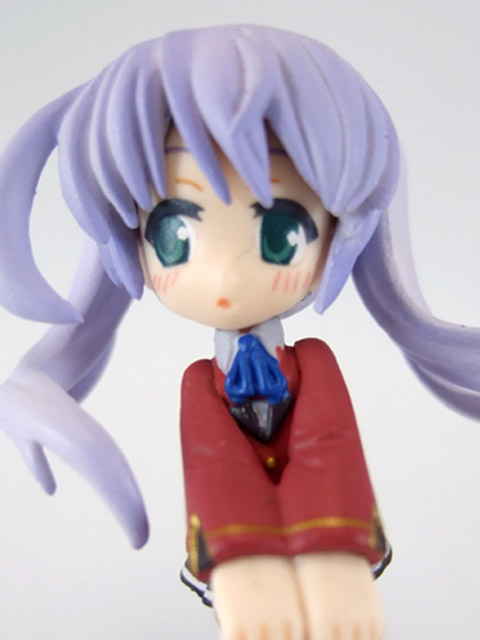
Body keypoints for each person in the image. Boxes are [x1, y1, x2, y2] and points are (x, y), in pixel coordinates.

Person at [0, 24, 478, 640]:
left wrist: (334, 549)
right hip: (238, 553)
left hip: (332, 534)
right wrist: (239, 558)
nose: (225, 276)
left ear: (345, 231)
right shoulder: (201, 384)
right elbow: (210, 464)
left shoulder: (314, 365)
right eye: (174, 236)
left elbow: (332, 443)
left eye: (280, 233)